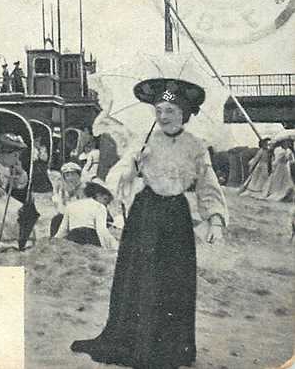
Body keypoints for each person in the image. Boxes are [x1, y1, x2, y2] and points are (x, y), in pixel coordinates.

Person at [70, 77, 227, 369]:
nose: (164, 116)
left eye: (171, 111)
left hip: (177, 217)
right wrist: (133, 167)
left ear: (185, 114)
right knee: (141, 279)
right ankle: (135, 341)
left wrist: (215, 220)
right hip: (146, 214)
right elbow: (118, 174)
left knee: (173, 280)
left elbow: (208, 184)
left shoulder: (196, 146)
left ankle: (172, 347)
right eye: (159, 110)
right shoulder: (144, 139)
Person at [54, 180, 118, 249]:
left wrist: (54, 242)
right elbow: (102, 230)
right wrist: (108, 247)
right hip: (90, 237)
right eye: (105, 200)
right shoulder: (99, 206)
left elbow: (63, 230)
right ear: (97, 195)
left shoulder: (70, 206)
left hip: (73, 237)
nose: (105, 204)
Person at [49, 162, 85, 236]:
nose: (70, 178)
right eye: (67, 175)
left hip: (82, 218)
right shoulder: (62, 191)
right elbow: (60, 209)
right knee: (57, 219)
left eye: (73, 174)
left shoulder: (84, 189)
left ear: (79, 175)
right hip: (67, 217)